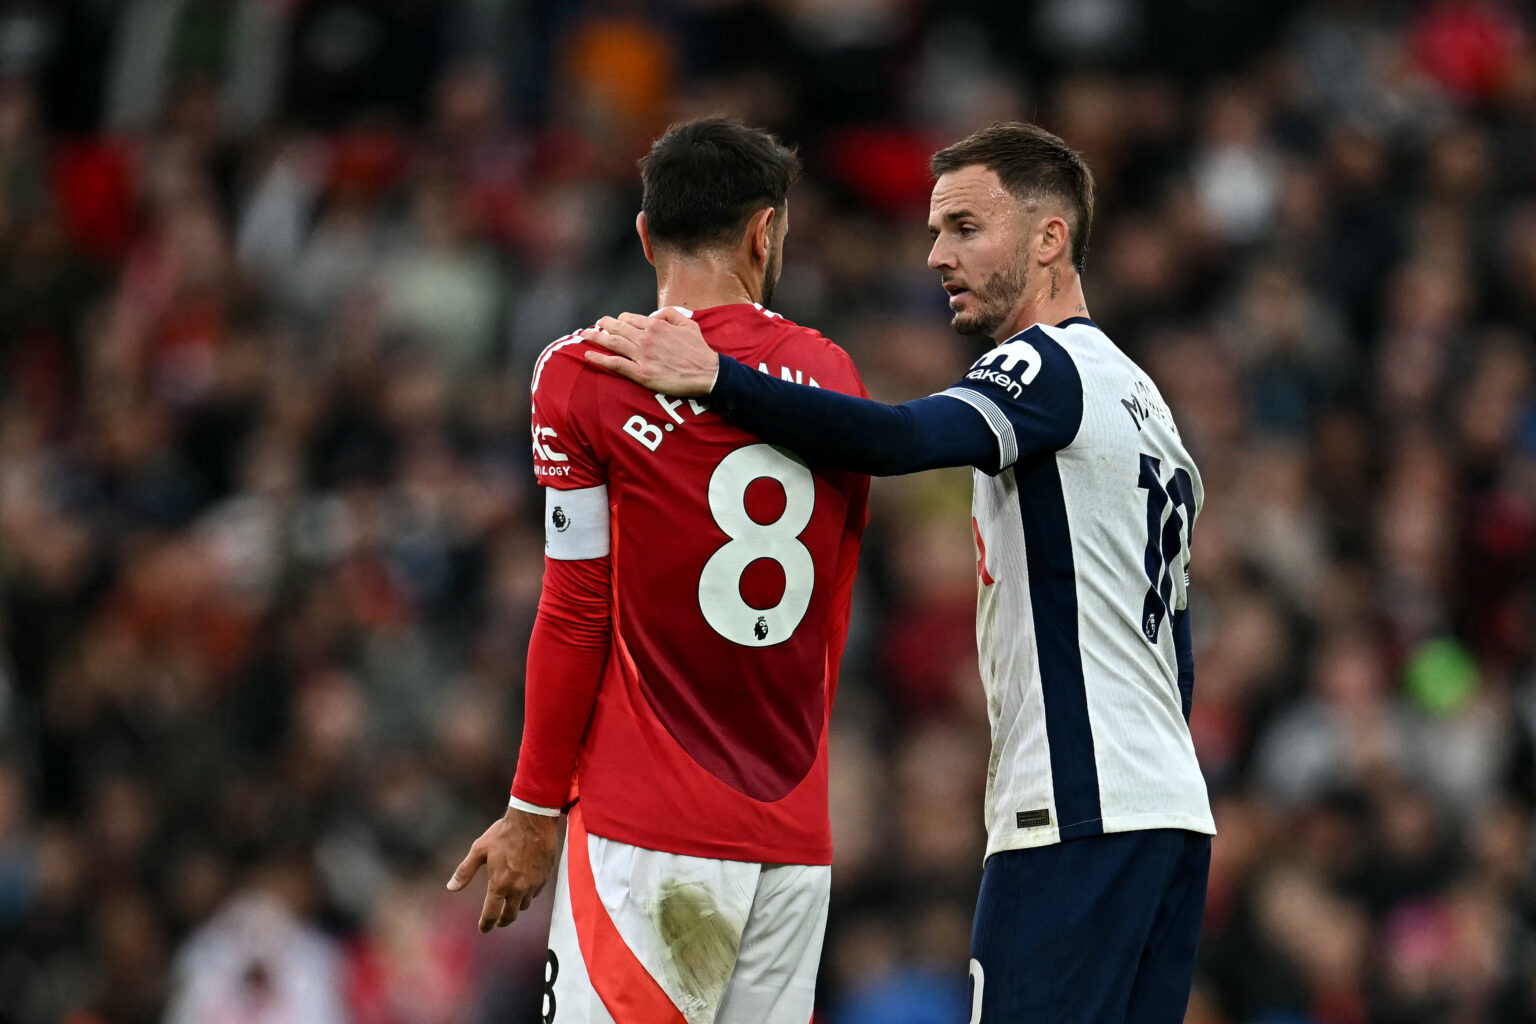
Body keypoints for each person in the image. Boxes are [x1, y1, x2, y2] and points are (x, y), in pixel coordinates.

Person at [583, 122, 1216, 1024]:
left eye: (966, 228)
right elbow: (1176, 652)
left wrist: (719, 378)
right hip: (1171, 814)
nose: (936, 256)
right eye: (934, 231)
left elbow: (898, 438)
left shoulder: (1043, 365)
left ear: (1050, 238)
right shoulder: (1143, 398)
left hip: (1076, 815)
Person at [446, 117, 869, 1024]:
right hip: (792, 838)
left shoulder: (587, 372)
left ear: (644, 235)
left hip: (650, 835)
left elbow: (574, 609)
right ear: (765, 231)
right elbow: (831, 604)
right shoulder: (834, 375)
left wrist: (533, 808)